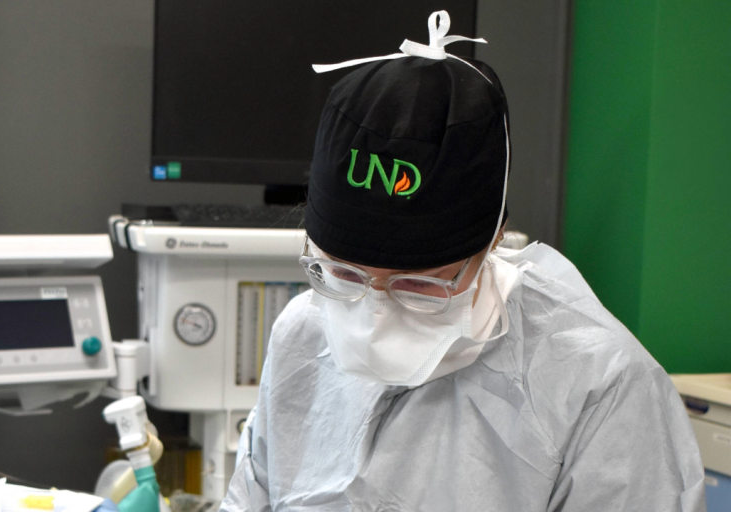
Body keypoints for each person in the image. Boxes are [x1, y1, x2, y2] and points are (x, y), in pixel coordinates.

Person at [221, 11, 705, 511]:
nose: (372, 317)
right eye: (344, 274)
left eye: (419, 285)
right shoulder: (305, 331)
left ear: (494, 240)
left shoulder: (598, 387)